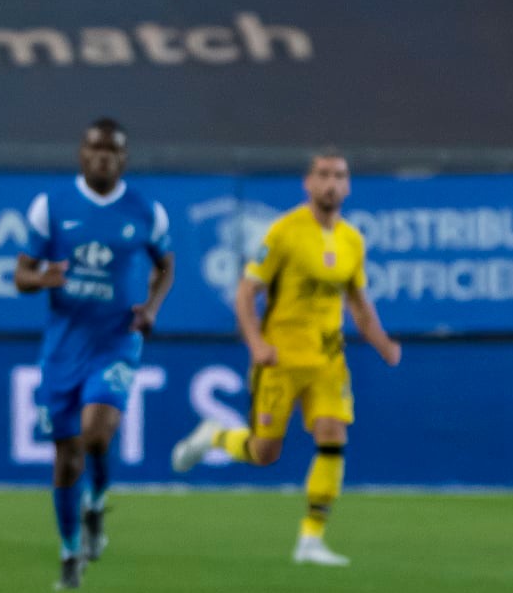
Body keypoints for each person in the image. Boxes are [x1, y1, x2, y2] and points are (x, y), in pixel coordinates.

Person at [172, 149, 401, 565]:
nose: (331, 183)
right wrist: (257, 344)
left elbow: (359, 301)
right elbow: (245, 292)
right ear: (308, 183)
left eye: (339, 176)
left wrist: (383, 343)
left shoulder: (352, 240)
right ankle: (214, 436)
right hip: (280, 359)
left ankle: (311, 538)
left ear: (347, 186)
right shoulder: (283, 232)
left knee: (333, 434)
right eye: (324, 175)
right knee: (264, 453)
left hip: (328, 359)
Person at [13, 118, 174, 589]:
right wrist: (45, 278)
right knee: (66, 457)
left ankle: (97, 502)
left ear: (123, 159)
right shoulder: (52, 206)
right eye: (94, 149)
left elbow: (166, 266)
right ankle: (69, 551)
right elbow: (22, 275)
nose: (102, 157)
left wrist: (151, 307)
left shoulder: (146, 211)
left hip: (116, 341)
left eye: (112, 151)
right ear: (81, 154)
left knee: (96, 436)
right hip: (64, 349)